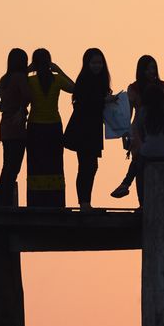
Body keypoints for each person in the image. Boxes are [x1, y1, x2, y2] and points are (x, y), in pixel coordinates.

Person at [110, 54, 164, 199]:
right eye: (148, 69)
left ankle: (125, 184)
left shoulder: (162, 86)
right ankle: (140, 200)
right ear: (141, 71)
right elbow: (127, 113)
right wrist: (125, 133)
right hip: (139, 129)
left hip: (158, 127)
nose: (152, 72)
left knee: (141, 161)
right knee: (140, 165)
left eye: (153, 68)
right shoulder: (134, 88)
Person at [63, 48, 114, 209]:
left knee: (90, 166)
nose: (97, 66)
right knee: (86, 165)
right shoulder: (84, 80)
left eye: (99, 63)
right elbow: (86, 103)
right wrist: (104, 100)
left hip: (92, 129)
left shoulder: (101, 81)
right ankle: (84, 202)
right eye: (94, 63)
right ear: (87, 64)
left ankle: (85, 201)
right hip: (83, 129)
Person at [25, 48, 74, 207]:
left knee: (36, 164)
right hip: (53, 127)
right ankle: (55, 200)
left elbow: (16, 80)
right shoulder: (57, 79)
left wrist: (27, 69)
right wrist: (59, 70)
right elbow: (75, 88)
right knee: (54, 163)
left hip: (35, 127)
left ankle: (36, 200)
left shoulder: (30, 81)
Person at [0, 48, 31, 206]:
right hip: (17, 127)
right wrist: (20, 110)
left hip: (5, 126)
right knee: (14, 167)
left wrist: (3, 108)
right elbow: (27, 96)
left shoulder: (4, 79)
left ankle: (3, 199)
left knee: (7, 166)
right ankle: (5, 202)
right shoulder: (20, 77)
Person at [133, 82, 164, 204]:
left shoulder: (143, 111)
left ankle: (126, 184)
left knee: (137, 164)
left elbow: (135, 128)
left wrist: (138, 146)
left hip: (149, 152)